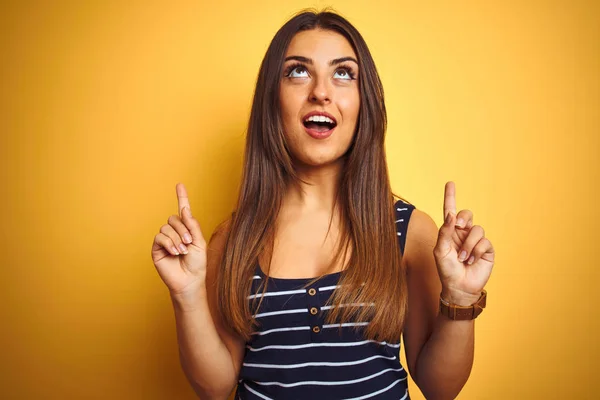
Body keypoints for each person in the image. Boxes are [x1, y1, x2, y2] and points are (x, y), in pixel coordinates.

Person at [151, 9, 495, 400]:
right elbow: (215, 387)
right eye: (298, 71)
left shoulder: (409, 232)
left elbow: (440, 388)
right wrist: (187, 294)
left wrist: (461, 299)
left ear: (363, 103)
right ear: (271, 100)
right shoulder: (233, 240)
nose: (321, 91)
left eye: (343, 73)